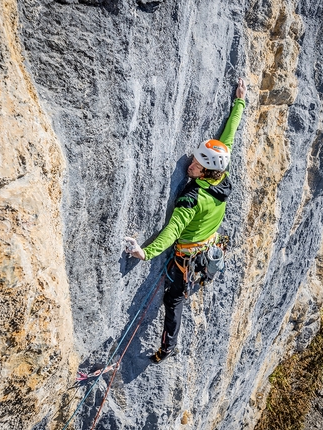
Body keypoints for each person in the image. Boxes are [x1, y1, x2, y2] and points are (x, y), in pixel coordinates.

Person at [126, 78, 247, 363]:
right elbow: (227, 140)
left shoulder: (192, 198)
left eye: (196, 166)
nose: (190, 166)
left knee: (173, 300)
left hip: (188, 256)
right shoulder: (222, 177)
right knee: (178, 293)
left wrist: (146, 253)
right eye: (194, 160)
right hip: (208, 242)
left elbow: (173, 230)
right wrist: (239, 101)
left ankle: (167, 348)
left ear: (206, 172)